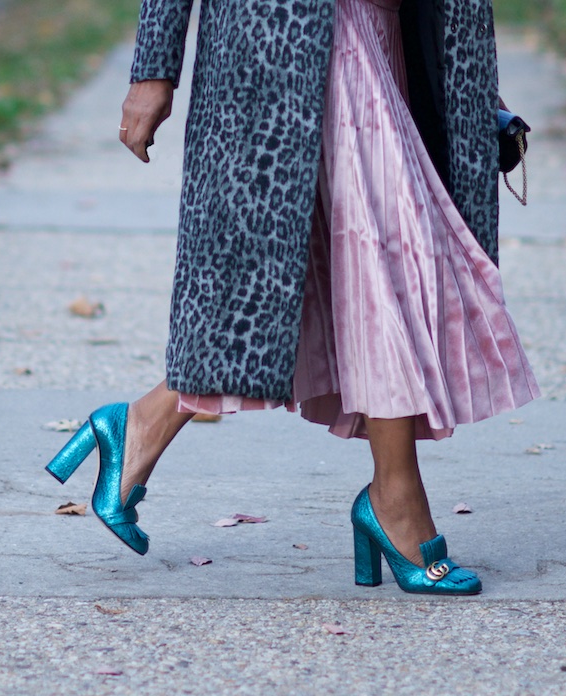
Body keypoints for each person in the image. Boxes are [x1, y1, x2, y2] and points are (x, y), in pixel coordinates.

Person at [45, 0, 539, 595]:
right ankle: (395, 500)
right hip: (274, 36)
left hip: (384, 30)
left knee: (347, 265)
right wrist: (154, 69)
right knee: (384, 251)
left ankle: (141, 424)